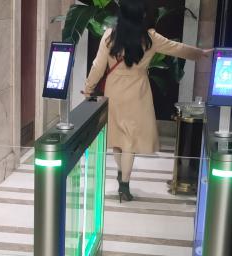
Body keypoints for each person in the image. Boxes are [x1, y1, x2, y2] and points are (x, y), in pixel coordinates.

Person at [83, 0, 212, 202]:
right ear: (141, 15)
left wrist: (88, 88)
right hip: (138, 90)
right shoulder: (150, 37)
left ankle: (121, 174)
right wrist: (199, 54)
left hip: (114, 90)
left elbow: (98, 66)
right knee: (130, 141)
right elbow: (176, 48)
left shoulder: (110, 36)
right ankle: (124, 184)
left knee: (117, 138)